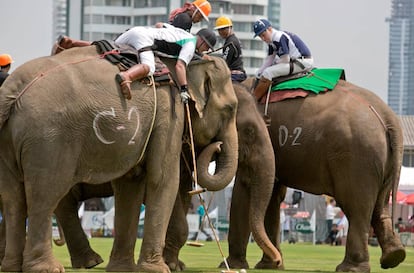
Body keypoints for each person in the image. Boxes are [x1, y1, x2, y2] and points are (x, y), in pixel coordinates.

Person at [51, 26, 216, 100]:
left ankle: (70, 43)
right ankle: (127, 77)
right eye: (206, 47)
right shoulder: (190, 44)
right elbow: (180, 66)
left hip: (136, 31)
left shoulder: (182, 33)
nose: (204, 50)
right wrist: (184, 90)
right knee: (150, 67)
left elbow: (160, 25)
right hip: (144, 39)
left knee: (110, 48)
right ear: (202, 41)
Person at [252, 18, 313, 101]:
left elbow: (285, 59)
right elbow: (269, 60)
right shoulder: (271, 41)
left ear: (269, 29)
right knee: (264, 71)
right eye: (260, 36)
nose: (263, 38)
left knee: (268, 72)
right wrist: (258, 73)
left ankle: (253, 100)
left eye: (263, 34)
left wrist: (274, 64)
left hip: (302, 62)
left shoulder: (278, 37)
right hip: (295, 61)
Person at [214, 16, 247, 82]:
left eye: (223, 29)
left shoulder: (230, 43)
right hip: (239, 73)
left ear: (230, 27)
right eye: (219, 29)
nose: (221, 32)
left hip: (235, 75)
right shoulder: (233, 39)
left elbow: (224, 62)